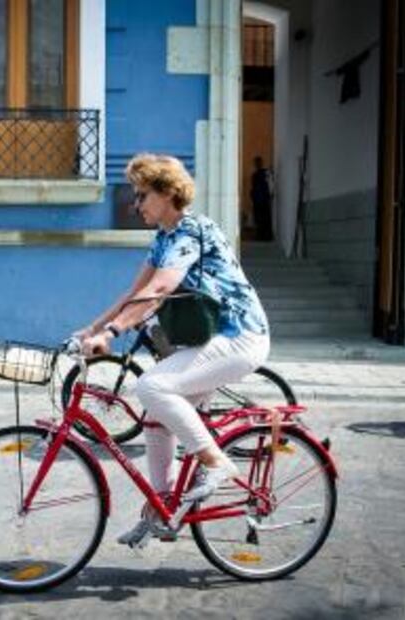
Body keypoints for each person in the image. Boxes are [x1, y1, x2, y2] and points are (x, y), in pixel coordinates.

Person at [75, 153, 271, 548]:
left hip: (241, 336)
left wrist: (113, 332)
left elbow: (160, 289)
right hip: (214, 340)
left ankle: (215, 462)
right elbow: (135, 293)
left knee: (151, 387)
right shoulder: (164, 238)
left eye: (142, 195)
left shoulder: (191, 232)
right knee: (156, 417)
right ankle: (163, 507)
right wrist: (92, 328)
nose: (136, 204)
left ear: (166, 193)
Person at [250, 156, 274, 241]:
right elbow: (253, 188)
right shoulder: (257, 174)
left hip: (262, 200)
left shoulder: (264, 173)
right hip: (260, 200)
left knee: (263, 219)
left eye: (258, 163)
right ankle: (262, 236)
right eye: (256, 163)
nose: (257, 164)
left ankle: (264, 236)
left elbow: (269, 185)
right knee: (260, 219)